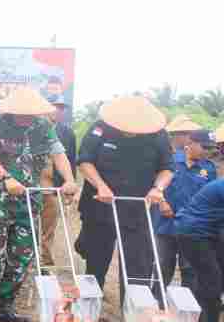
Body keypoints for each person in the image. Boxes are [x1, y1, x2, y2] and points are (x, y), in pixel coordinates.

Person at [0, 87, 77, 322]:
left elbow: (59, 155)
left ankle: (6, 306)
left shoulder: (44, 127)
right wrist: (6, 177)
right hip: (0, 201)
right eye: (21, 113)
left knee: (21, 258)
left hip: (29, 203)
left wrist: (70, 180)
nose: (25, 117)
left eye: (29, 113)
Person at [75, 96, 173, 308]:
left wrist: (158, 189)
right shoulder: (100, 129)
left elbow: (167, 168)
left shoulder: (158, 134)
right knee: (96, 261)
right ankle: (88, 309)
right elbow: (84, 161)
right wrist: (100, 185)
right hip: (101, 205)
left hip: (139, 209)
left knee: (138, 266)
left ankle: (133, 316)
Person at [155, 129, 217, 289]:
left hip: (191, 228)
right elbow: (154, 185)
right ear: (191, 143)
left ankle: (188, 310)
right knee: (162, 266)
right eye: (204, 147)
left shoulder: (209, 169)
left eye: (210, 148)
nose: (207, 152)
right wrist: (162, 202)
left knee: (190, 270)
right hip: (165, 224)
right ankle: (157, 305)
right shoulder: (170, 162)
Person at [175, 178, 224, 322]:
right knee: (212, 280)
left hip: (210, 233)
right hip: (193, 234)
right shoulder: (221, 187)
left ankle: (198, 317)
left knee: (214, 279)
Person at [38, 95, 77, 271]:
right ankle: (26, 260)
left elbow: (70, 160)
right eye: (56, 106)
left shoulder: (67, 133)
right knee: (27, 225)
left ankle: (45, 262)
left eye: (62, 108)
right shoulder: (34, 128)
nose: (58, 111)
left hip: (54, 188)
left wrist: (71, 186)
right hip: (32, 185)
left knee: (49, 228)